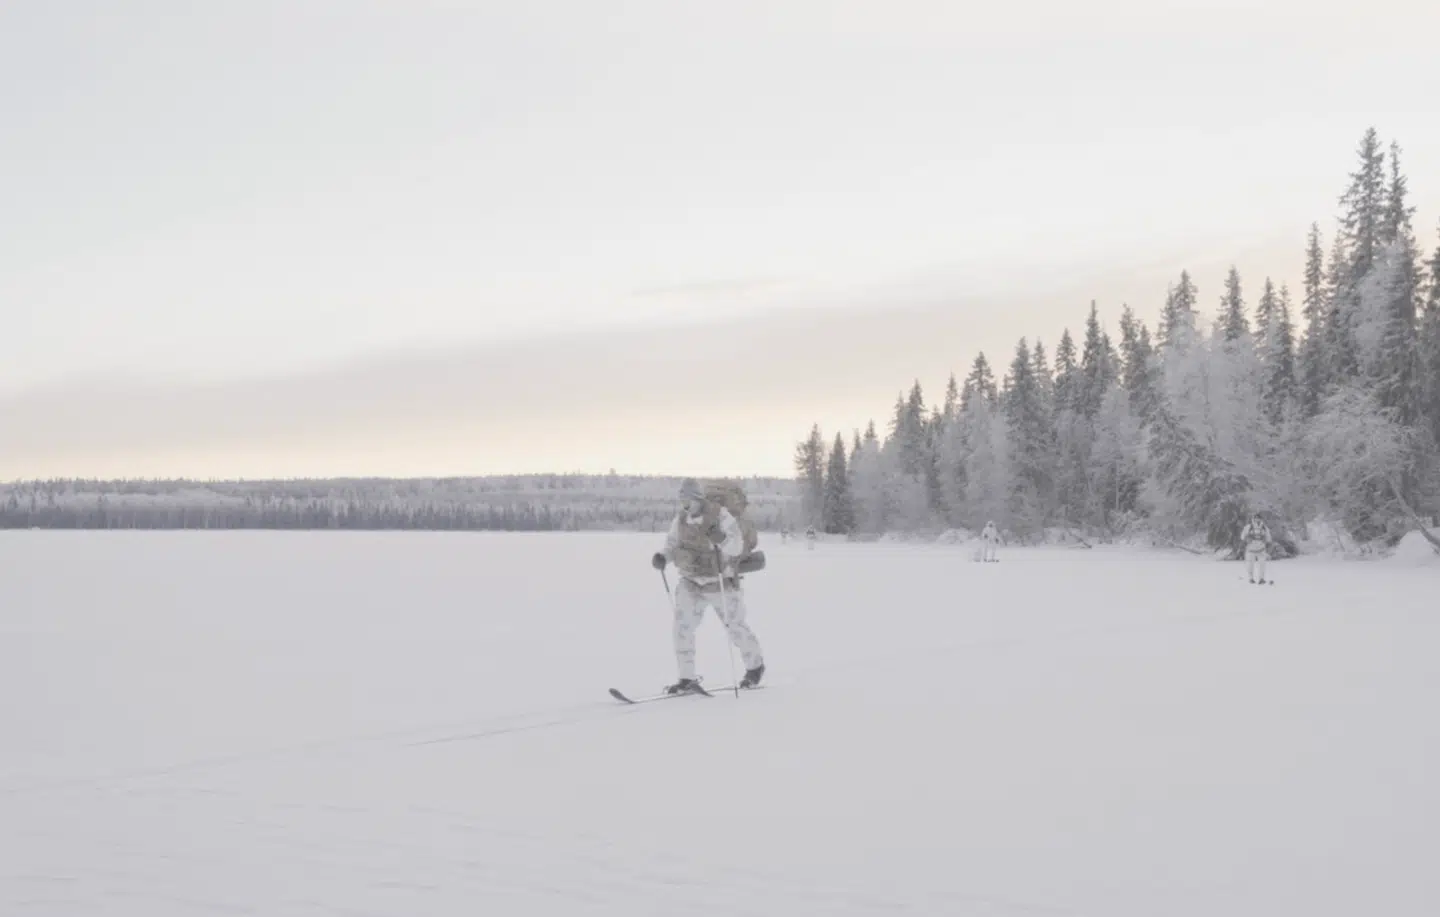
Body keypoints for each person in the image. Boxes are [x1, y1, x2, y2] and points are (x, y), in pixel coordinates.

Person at [651, 478, 765, 694]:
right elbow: (672, 543)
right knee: (682, 629)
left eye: (689, 500)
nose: (685, 505)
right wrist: (662, 557)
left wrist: (720, 538)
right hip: (691, 581)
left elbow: (736, 546)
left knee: (735, 627)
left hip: (719, 580)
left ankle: (755, 667)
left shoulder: (719, 515)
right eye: (682, 500)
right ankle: (686, 678)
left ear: (698, 499)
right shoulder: (681, 519)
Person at [1240, 513, 1271, 584]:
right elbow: (1242, 537)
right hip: (1250, 550)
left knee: (1262, 565)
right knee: (1250, 565)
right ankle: (1251, 578)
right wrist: (1247, 538)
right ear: (1253, 519)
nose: (1257, 519)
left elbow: (1269, 539)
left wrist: (1265, 540)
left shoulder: (1265, 528)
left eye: (1259, 518)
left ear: (1261, 519)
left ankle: (1261, 579)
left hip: (1261, 550)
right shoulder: (1248, 527)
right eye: (1256, 518)